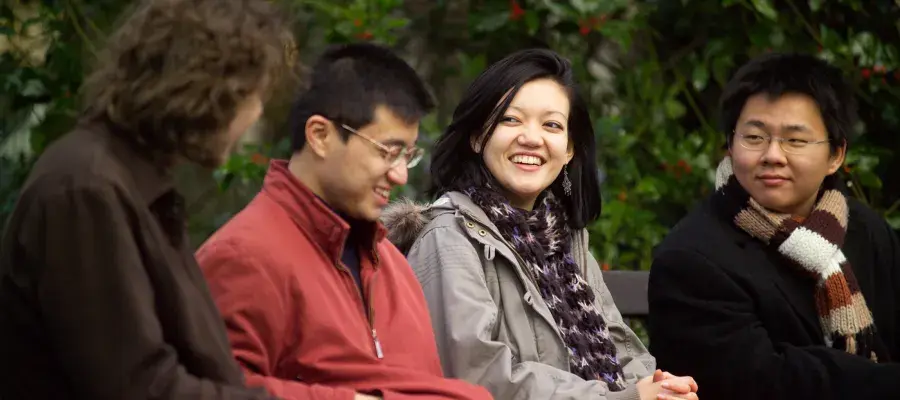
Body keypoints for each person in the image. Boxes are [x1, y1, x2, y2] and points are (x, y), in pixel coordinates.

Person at [0, 0, 291, 398]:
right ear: (211, 90)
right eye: (253, 94)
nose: (256, 112)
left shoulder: (127, 182)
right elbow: (139, 387)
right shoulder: (87, 189)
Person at [382, 48, 699, 400]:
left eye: (551, 125)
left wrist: (663, 387)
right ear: (476, 137)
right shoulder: (448, 237)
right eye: (510, 120)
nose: (532, 138)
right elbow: (478, 375)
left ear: (568, 150)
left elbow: (619, 346)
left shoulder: (565, 242)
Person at [194, 42, 493, 400]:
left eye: (408, 156)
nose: (399, 174)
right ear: (320, 135)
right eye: (387, 152)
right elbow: (207, 389)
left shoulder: (392, 266)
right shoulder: (242, 256)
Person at [647, 52, 900, 400]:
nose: (773, 155)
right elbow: (761, 382)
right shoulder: (691, 259)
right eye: (754, 137)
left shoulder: (867, 231)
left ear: (836, 155)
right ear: (730, 145)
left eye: (795, 140)